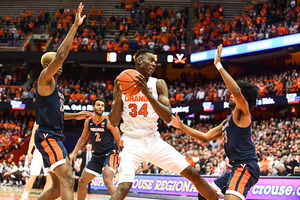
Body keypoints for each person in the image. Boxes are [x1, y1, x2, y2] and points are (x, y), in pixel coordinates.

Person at [108, 49, 218, 200]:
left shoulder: (158, 84)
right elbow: (113, 122)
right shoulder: (122, 83)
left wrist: (146, 93)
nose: (154, 63)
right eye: (150, 60)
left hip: (153, 140)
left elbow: (167, 117)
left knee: (192, 173)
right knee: (123, 187)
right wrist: (119, 97)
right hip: (131, 143)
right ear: (139, 61)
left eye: (155, 61)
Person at [170, 44, 260, 200]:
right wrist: (181, 126)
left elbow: (237, 91)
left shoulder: (243, 113)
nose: (230, 95)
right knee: (205, 195)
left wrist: (218, 65)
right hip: (235, 168)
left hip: (246, 167)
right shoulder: (227, 121)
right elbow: (205, 137)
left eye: (234, 94)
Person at [34, 3, 91, 200]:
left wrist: (76, 115)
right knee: (68, 179)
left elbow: (56, 113)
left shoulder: (57, 89)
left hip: (55, 136)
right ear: (49, 66)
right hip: (47, 135)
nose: (61, 66)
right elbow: (60, 55)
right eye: (56, 64)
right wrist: (75, 26)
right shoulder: (44, 79)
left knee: (59, 187)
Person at [69, 98, 121, 199]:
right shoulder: (88, 122)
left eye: (102, 105)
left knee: (107, 180)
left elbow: (119, 140)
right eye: (98, 105)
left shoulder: (109, 121)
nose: (100, 107)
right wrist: (74, 152)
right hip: (97, 156)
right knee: (82, 181)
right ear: (93, 107)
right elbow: (82, 139)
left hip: (110, 154)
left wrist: (121, 156)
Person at [21, 122, 52, 200]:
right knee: (32, 176)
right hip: (38, 151)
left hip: (49, 152)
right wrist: (29, 151)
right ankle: (24, 195)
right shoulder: (38, 121)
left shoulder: (53, 120)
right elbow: (32, 137)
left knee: (49, 178)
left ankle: (44, 198)